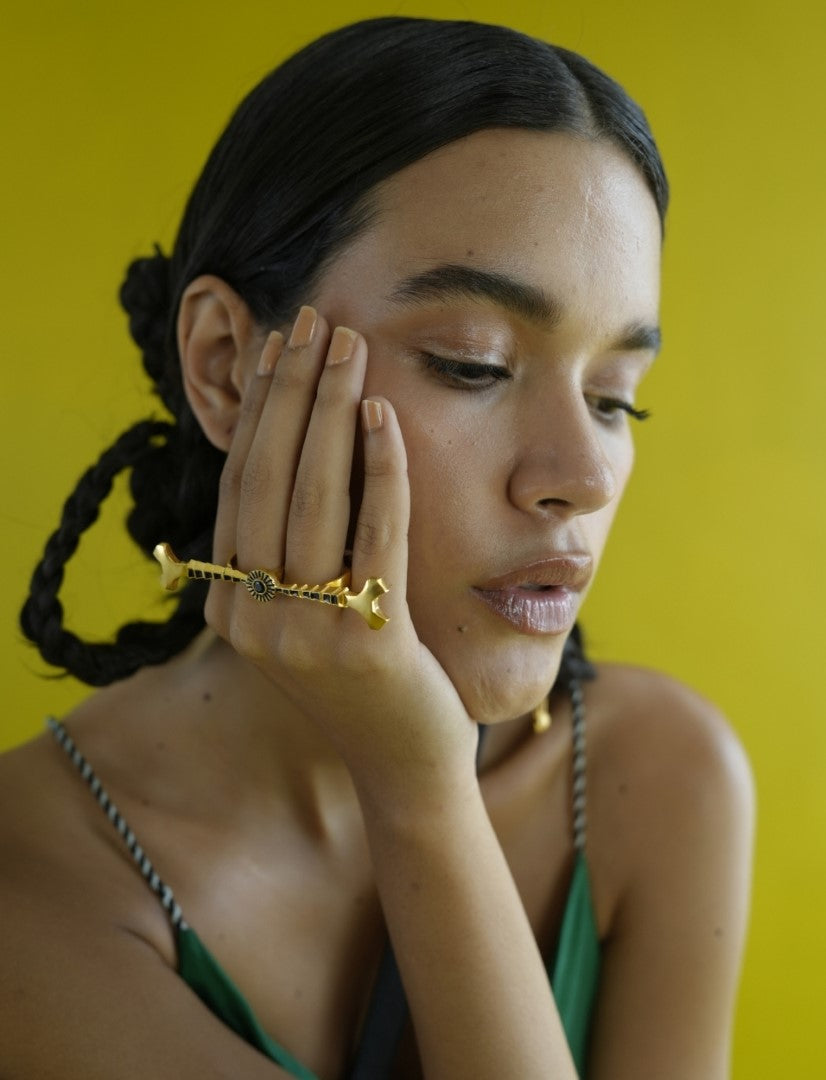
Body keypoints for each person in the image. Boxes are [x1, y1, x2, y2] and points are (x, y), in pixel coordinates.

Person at [0, 16, 754, 1079]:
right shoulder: (30, 883)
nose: (580, 477)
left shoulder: (657, 776)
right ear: (224, 367)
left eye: (612, 397)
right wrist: (420, 787)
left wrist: (421, 786)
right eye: (473, 364)